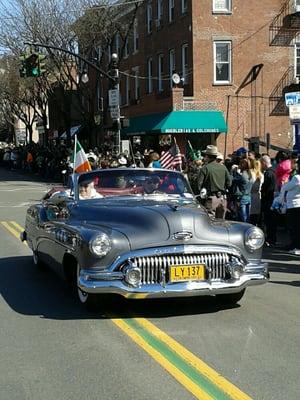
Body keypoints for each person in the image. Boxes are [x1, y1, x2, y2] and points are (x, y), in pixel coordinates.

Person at [197, 145, 232, 219]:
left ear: (207, 156)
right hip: (222, 199)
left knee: (210, 223)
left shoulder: (205, 168)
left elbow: (199, 185)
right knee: (221, 223)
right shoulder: (223, 167)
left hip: (211, 199)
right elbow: (229, 183)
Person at [280, 158, 300, 253]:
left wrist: (285, 183)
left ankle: (295, 246)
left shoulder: (297, 178)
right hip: (297, 205)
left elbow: (285, 187)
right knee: (296, 227)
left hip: (293, 205)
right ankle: (295, 245)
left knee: (293, 227)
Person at [261, 155, 277, 246]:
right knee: (272, 221)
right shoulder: (274, 171)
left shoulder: (268, 173)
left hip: (268, 199)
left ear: (264, 163)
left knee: (269, 220)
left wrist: (262, 194)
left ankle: (270, 239)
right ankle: (273, 238)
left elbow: (265, 188)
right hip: (273, 198)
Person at [249, 159, 264, 225]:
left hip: (251, 195)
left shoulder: (251, 173)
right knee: (256, 215)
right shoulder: (261, 175)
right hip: (258, 196)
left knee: (250, 215)